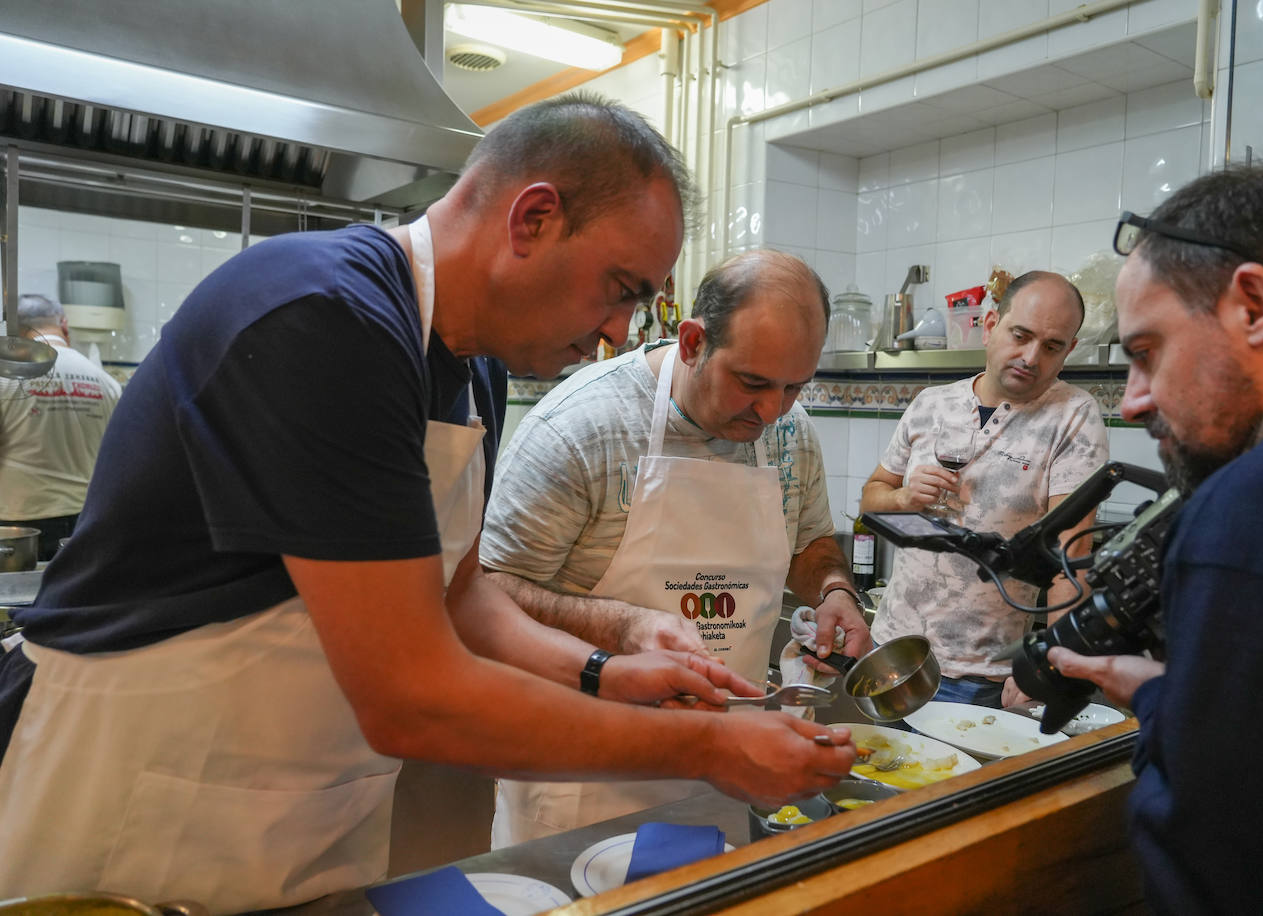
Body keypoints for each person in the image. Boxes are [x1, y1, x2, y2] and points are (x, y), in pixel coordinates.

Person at [0, 94, 857, 913]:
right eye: (623, 288)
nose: (619, 332)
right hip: (134, 795)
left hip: (291, 806)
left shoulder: (472, 363)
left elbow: (457, 590)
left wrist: (602, 671)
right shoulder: (326, 315)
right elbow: (410, 691)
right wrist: (709, 746)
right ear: (533, 219)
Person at [1047, 164, 1263, 911]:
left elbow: (1224, 873)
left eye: (1145, 351)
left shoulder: (1261, 511)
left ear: (1254, 305)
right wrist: (1177, 700)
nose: (1132, 403)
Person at [480, 249, 874, 845]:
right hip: (584, 776)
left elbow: (811, 539)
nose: (772, 410)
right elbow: (487, 592)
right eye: (752, 382)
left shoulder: (791, 435)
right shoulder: (583, 427)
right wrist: (622, 627)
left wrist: (834, 591)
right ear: (692, 342)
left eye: (795, 386)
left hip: (725, 768)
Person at [859, 271, 1109, 708]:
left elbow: (1072, 556)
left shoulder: (1073, 416)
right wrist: (902, 500)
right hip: (892, 654)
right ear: (991, 325)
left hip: (983, 677)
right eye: (1020, 335)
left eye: (1051, 347)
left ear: (1068, 351)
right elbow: (872, 500)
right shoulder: (931, 404)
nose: (1031, 357)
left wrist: (1047, 658)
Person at [0, 294, 121, 560]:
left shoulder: (6, 378)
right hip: (86, 519)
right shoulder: (105, 381)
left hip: (19, 525)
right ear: (64, 325)